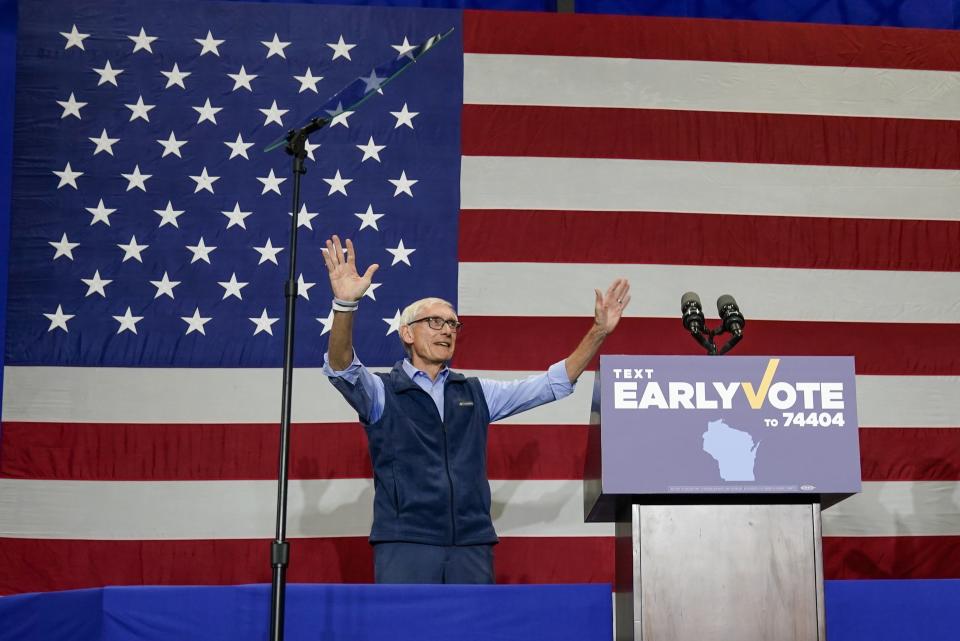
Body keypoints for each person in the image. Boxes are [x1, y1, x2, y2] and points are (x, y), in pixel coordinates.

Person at [321, 235, 631, 584]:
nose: (448, 331)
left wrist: (599, 332)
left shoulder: (475, 392)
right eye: (435, 322)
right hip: (405, 542)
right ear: (407, 333)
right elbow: (342, 367)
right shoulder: (382, 391)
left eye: (453, 324)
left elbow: (551, 384)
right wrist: (345, 306)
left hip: (471, 544)